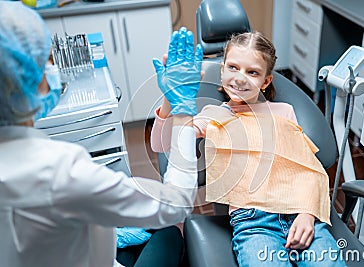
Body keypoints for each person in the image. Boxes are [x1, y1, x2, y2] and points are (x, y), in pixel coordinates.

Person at [0, 2, 202, 267]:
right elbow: (176, 203)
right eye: (49, 61)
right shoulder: (60, 170)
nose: (54, 70)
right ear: (25, 79)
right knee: (170, 231)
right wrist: (183, 109)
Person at [151, 31, 346, 266]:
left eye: (252, 72)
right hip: (254, 224)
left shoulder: (284, 111)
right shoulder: (214, 116)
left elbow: (306, 169)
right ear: (222, 70)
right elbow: (163, 145)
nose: (240, 78)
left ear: (265, 81)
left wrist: (308, 213)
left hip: (300, 212)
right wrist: (170, 98)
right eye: (233, 67)